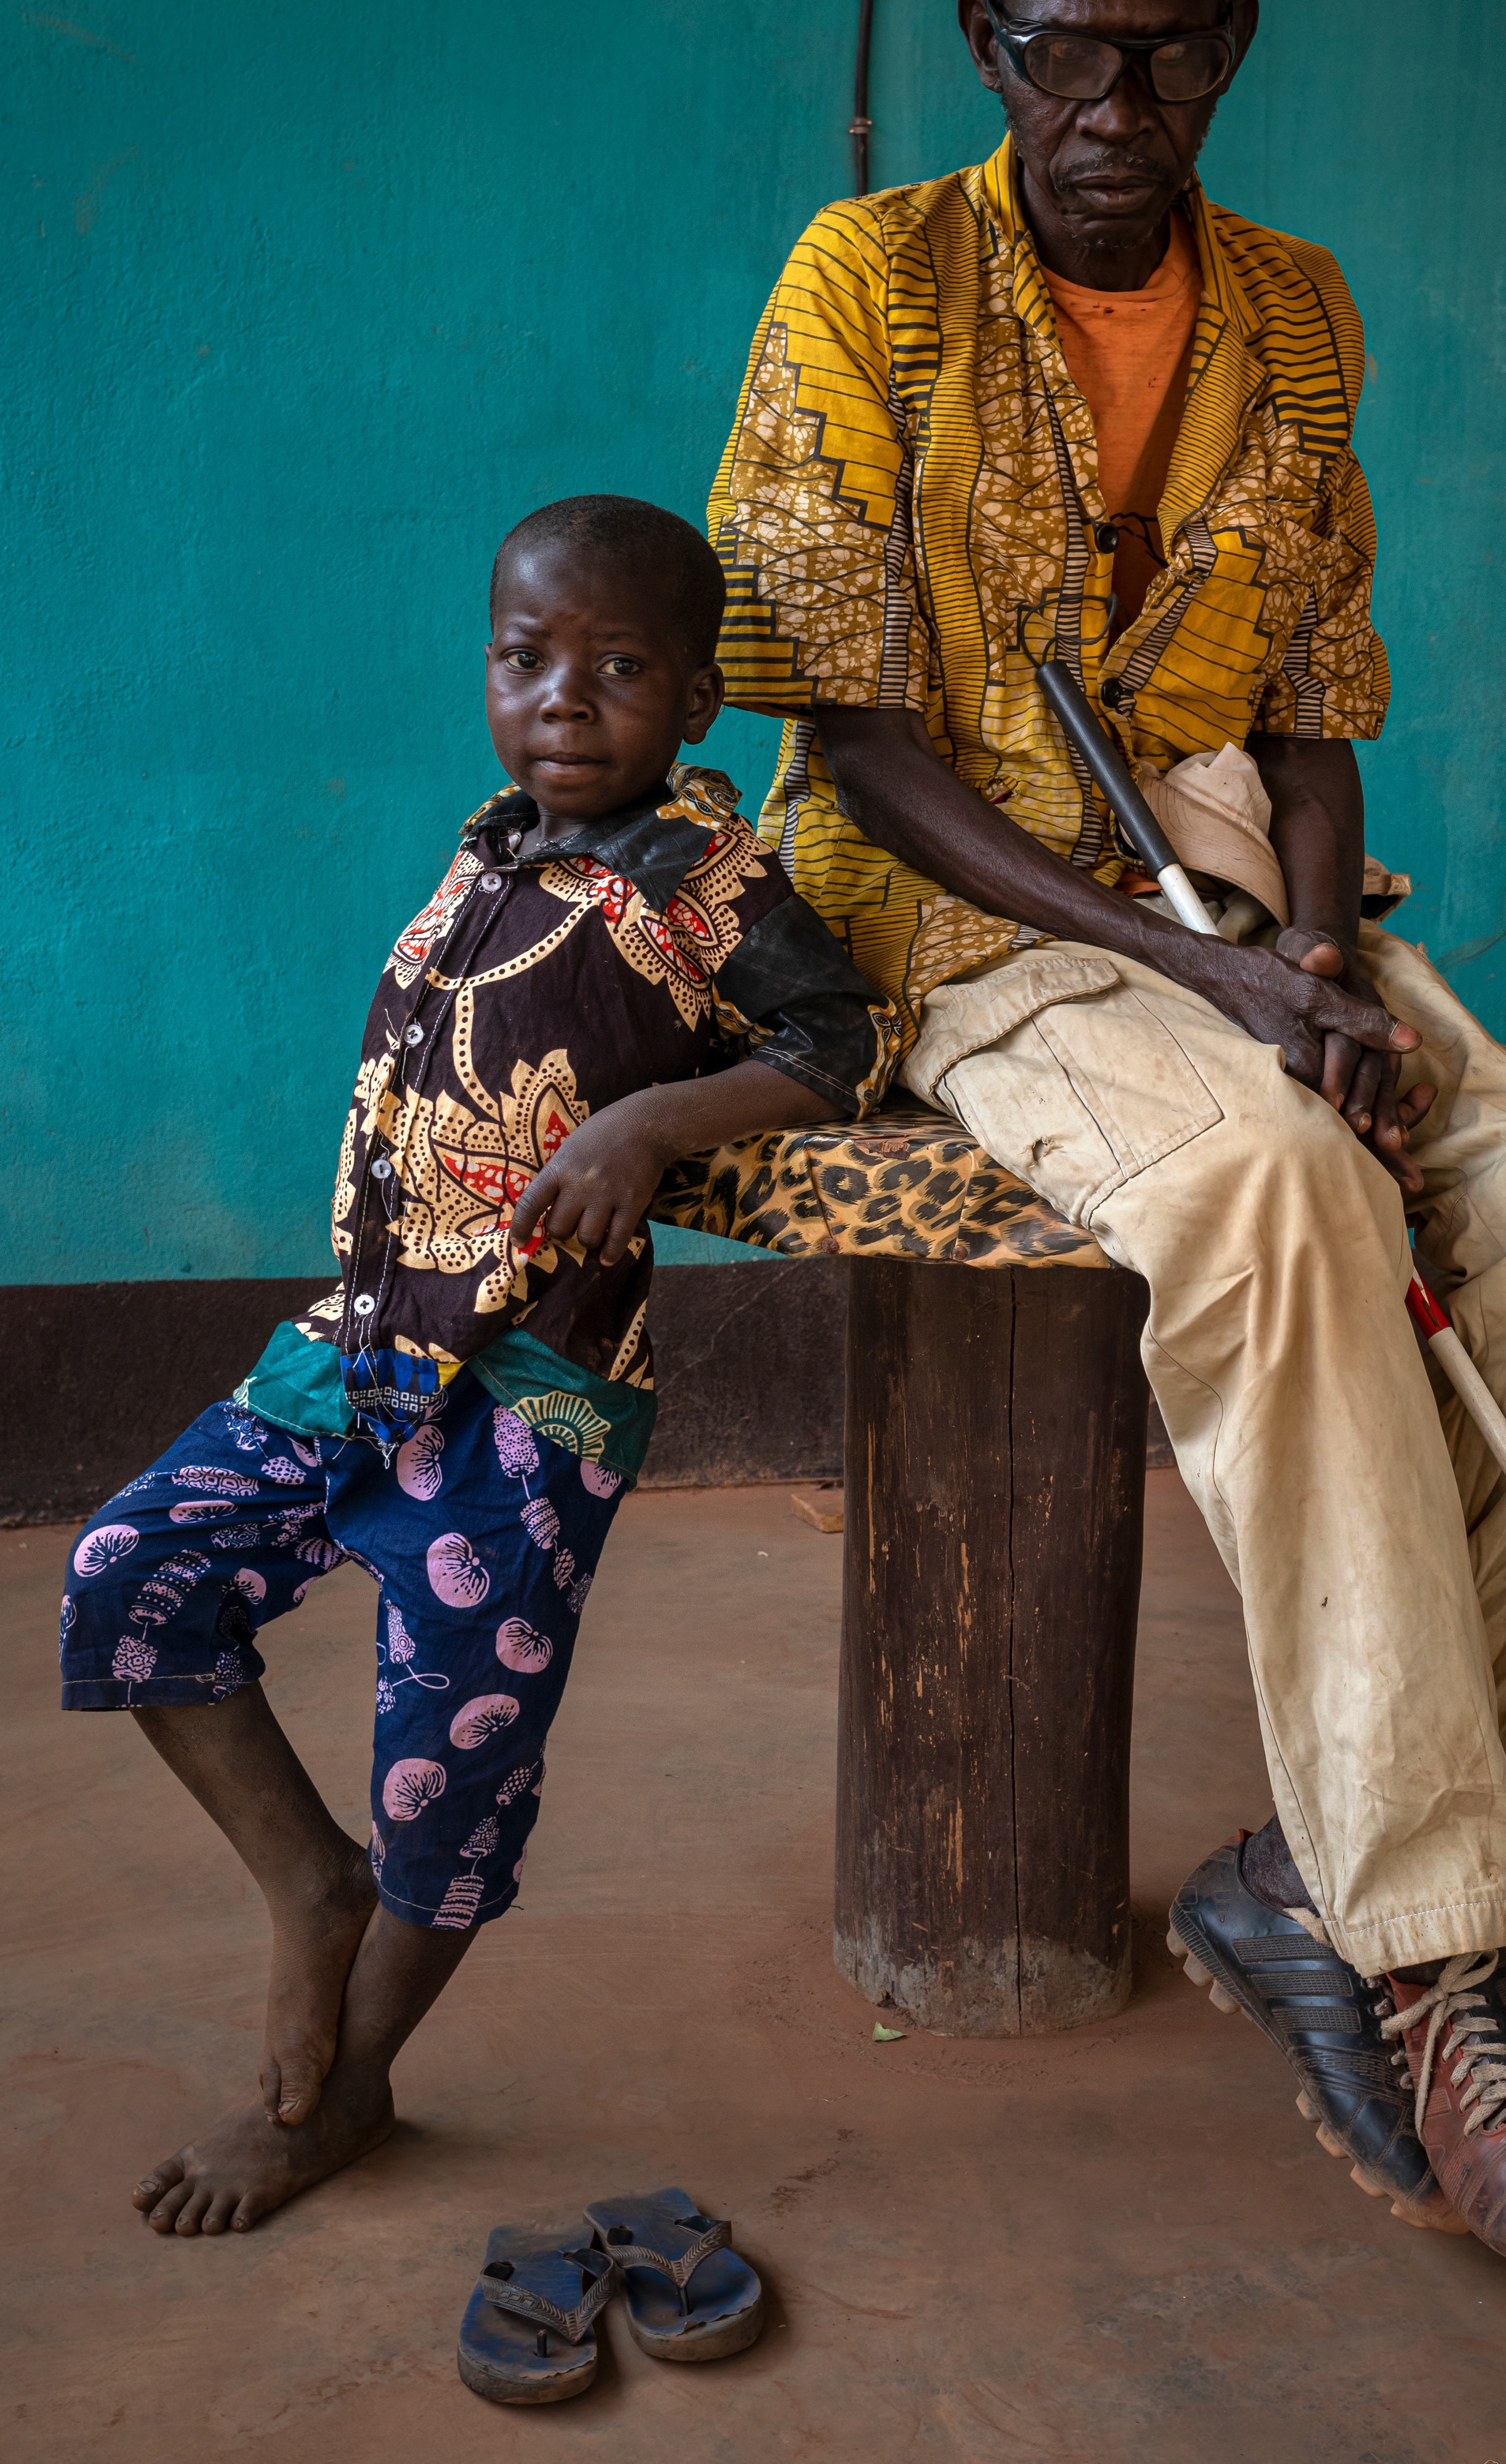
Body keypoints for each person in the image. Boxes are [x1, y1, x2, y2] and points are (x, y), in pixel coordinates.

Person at [710, 0, 1506, 2263]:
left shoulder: (1300, 314)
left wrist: (1321, 960)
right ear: (985, 42)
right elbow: (844, 738)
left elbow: (1325, 708)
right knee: (1270, 1176)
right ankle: (1436, 1952)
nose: (1112, 102)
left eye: (1165, 53)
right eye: (1063, 49)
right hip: (967, 904)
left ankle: (1314, 1874)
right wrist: (1226, 996)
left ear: (1230, 48)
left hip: (1241, 872)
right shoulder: (873, 285)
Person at [61, 496, 895, 2236]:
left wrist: (658, 1119)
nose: (564, 699)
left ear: (694, 706)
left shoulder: (701, 873)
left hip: (530, 1402)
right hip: (352, 1348)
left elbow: (843, 1041)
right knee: (130, 1572)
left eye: (619, 669)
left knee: (451, 1765)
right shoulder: (492, 843)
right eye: (527, 659)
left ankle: (340, 2093)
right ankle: (307, 1887)